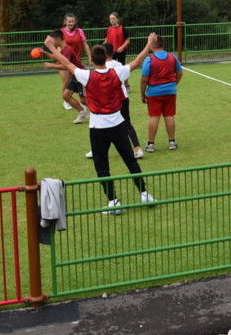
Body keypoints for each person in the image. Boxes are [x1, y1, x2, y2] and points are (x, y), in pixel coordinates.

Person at [45, 39, 156, 213]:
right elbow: (137, 61)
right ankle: (144, 193)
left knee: (102, 165)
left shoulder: (86, 75)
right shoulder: (117, 73)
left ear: (92, 60)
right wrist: (149, 43)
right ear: (106, 58)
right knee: (130, 160)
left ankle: (113, 202)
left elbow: (66, 63)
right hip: (118, 124)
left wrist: (51, 47)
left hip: (98, 127)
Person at [83, 42, 149, 160]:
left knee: (98, 125)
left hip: (107, 100)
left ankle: (96, 150)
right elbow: (130, 70)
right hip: (123, 98)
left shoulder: (101, 67)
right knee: (127, 123)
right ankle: (137, 148)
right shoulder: (118, 64)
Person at [140, 35, 183, 152]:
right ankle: (172, 142)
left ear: (152, 45)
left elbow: (144, 80)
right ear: (162, 44)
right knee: (169, 116)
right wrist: (174, 84)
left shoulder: (149, 59)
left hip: (154, 93)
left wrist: (143, 95)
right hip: (170, 92)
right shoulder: (172, 56)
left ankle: (150, 144)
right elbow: (180, 73)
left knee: (154, 116)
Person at [43, 29, 89, 123]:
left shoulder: (67, 49)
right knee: (66, 96)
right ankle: (82, 112)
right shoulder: (63, 49)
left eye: (52, 40)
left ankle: (101, 111)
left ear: (57, 39)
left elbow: (65, 66)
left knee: (84, 101)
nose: (52, 42)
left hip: (81, 76)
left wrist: (51, 66)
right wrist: (44, 52)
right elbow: (56, 57)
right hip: (75, 76)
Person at [60, 13, 92, 110]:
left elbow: (85, 45)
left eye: (73, 21)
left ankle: (82, 101)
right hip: (64, 61)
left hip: (76, 62)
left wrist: (90, 56)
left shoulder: (80, 31)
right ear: (65, 22)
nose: (71, 23)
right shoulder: (60, 32)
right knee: (66, 82)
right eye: (69, 21)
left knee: (80, 82)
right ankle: (66, 100)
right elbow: (57, 46)